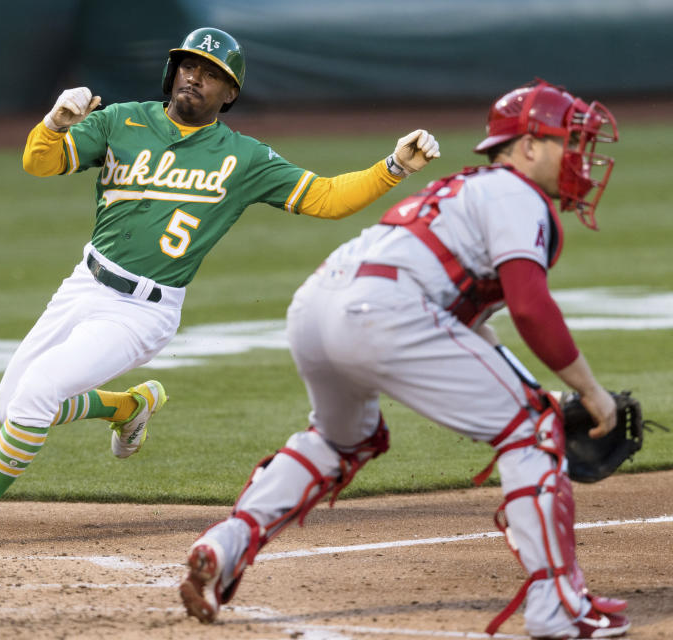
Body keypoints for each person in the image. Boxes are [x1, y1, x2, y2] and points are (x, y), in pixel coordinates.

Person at [0, 26, 440, 549]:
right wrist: (54, 124)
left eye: (213, 74)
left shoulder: (243, 157)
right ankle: (126, 408)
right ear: (174, 72)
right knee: (12, 405)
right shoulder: (121, 120)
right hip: (83, 284)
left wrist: (394, 166)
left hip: (142, 310)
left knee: (36, 396)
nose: (196, 77)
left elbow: (327, 198)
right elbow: (40, 163)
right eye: (190, 66)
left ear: (230, 93)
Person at [179, 79, 630, 639]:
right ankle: (557, 607)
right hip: (384, 310)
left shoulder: (464, 190)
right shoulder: (518, 195)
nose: (581, 161)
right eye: (570, 142)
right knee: (534, 428)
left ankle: (226, 543)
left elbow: (468, 328)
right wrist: (590, 390)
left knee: (340, 439)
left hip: (316, 305)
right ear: (530, 146)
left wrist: (542, 392)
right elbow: (532, 309)